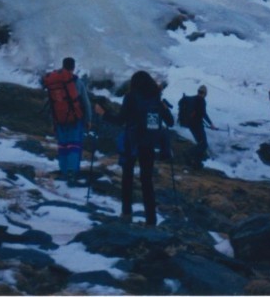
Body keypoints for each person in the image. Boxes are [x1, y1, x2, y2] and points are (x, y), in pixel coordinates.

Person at [95, 70, 174, 226]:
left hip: (132, 142)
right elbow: (170, 122)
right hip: (149, 144)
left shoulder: (130, 97)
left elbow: (120, 120)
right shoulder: (155, 99)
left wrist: (103, 114)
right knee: (147, 181)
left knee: (127, 178)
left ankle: (126, 214)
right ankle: (151, 220)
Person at [42, 57, 92, 185]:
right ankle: (72, 172)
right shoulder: (76, 82)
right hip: (75, 119)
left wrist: (52, 122)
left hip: (59, 119)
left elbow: (51, 103)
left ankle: (64, 171)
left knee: (63, 145)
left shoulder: (54, 82)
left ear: (63, 66)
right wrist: (88, 119)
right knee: (74, 145)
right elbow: (86, 102)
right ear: (73, 67)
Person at [184, 85, 215, 167]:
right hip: (197, 125)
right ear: (205, 93)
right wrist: (211, 124)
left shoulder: (192, 99)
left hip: (191, 125)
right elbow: (203, 114)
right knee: (203, 144)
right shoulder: (201, 100)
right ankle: (189, 154)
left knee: (200, 143)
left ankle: (196, 163)